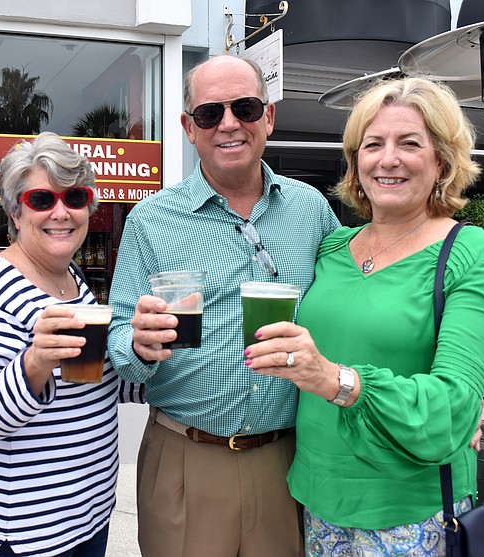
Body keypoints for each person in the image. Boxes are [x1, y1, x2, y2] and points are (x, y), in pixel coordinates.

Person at [246, 77, 484, 555]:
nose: (387, 159)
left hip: (412, 514)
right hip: (317, 502)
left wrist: (334, 379)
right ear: (355, 161)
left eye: (410, 143)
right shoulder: (331, 248)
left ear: (442, 161)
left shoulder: (474, 253)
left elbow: (453, 407)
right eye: (373, 145)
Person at [107, 55, 340, 557]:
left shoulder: (311, 209)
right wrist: (140, 344)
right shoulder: (150, 220)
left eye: (246, 107)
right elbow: (119, 345)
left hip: (290, 457)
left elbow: (351, 309)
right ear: (189, 128)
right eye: (211, 113)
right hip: (185, 457)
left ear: (269, 117)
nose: (229, 123)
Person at [0, 131, 144, 557]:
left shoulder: (70, 279)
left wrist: (146, 354)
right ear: (14, 213)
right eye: (42, 200)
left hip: (86, 516)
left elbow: (96, 382)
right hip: (26, 531)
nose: (60, 212)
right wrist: (35, 361)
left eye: (74, 198)